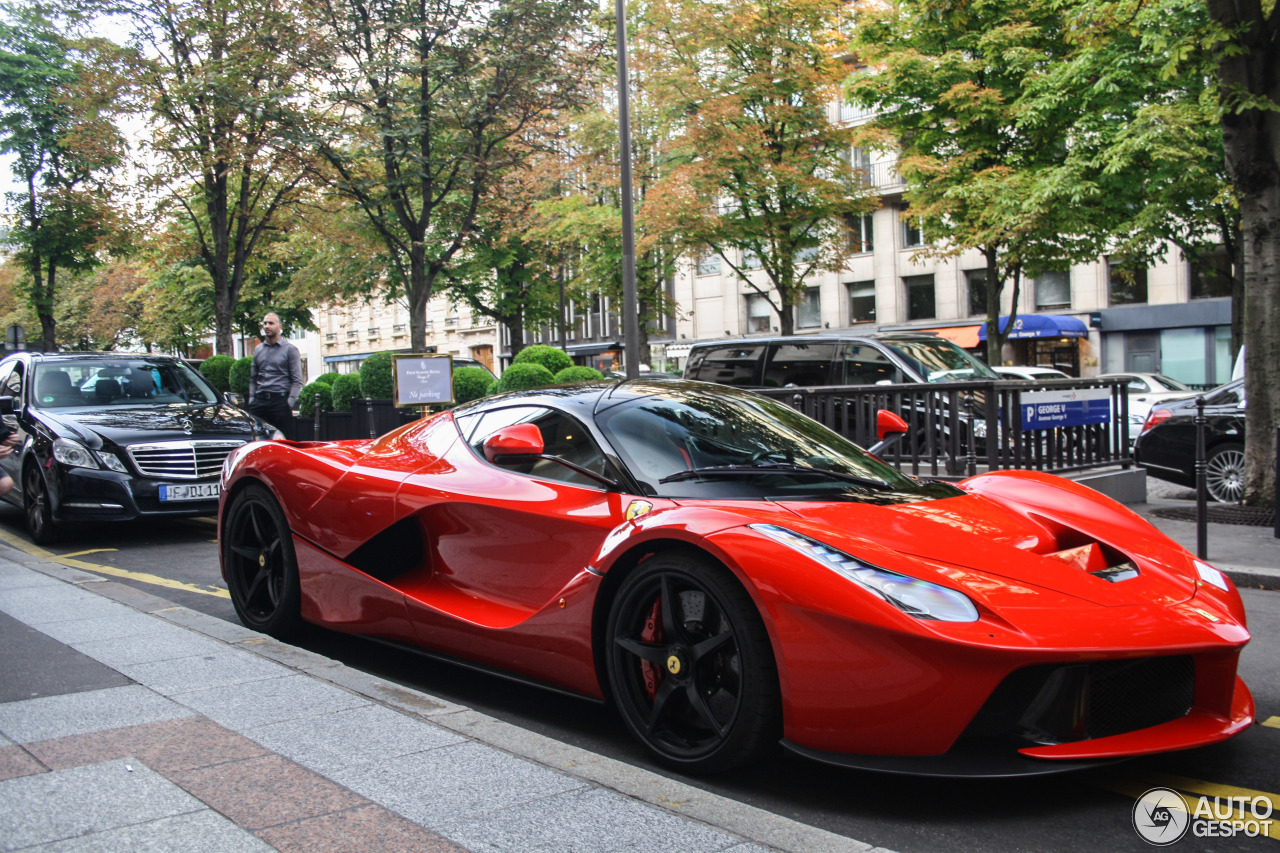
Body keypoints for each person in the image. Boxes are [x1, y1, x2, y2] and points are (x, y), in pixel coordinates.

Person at [248, 312, 303, 440]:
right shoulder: (258, 349)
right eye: (265, 323)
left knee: (284, 442)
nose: (267, 326)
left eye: (271, 323)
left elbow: (297, 380)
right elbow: (253, 378)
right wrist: (252, 399)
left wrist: (288, 403)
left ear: (280, 327)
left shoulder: (290, 350)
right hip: (259, 403)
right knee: (257, 441)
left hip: (280, 402)